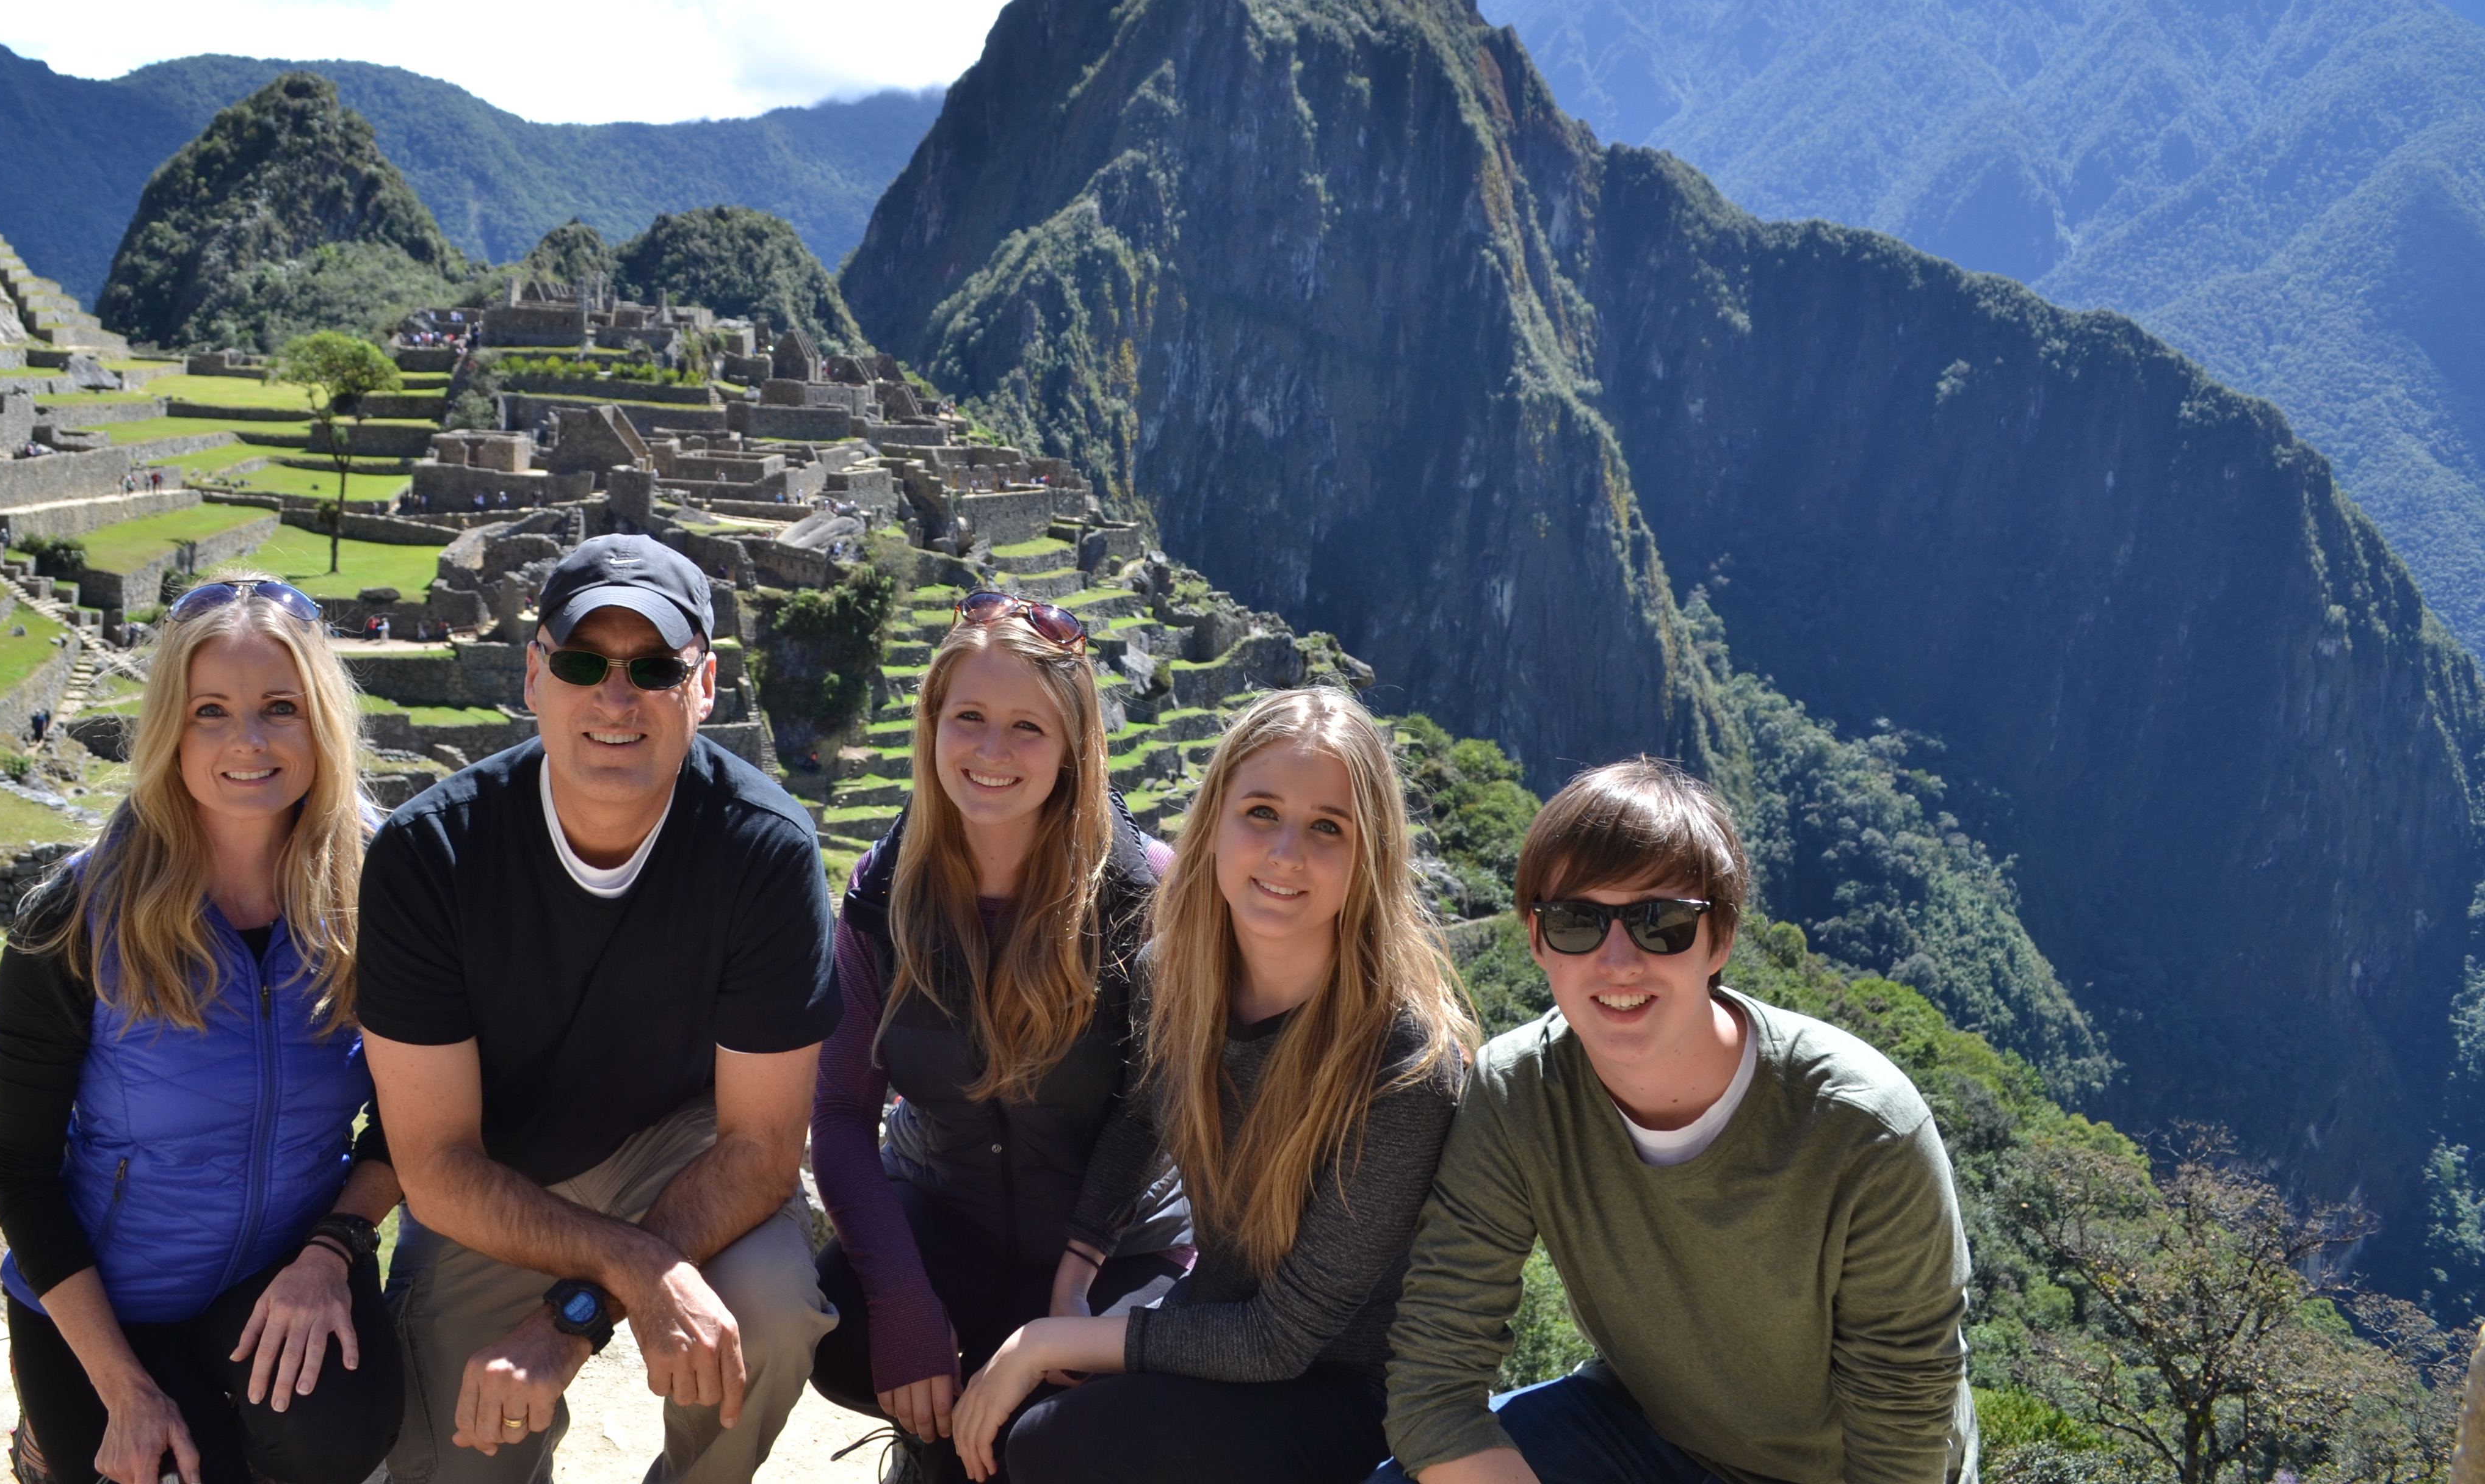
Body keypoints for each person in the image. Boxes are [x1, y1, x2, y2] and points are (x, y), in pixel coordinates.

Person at [357, 532, 842, 1484]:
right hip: (501, 1179)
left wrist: (568, 1323)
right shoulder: (429, 859)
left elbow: (759, 1152)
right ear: (534, 675)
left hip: (686, 1155)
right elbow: (435, 1164)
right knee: (457, 1458)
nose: (616, 698)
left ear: (703, 688)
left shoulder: (767, 853)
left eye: (654, 667)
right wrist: (627, 1271)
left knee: (772, 1310)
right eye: (585, 662)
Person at [1378, 759, 1974, 1484]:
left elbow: (1902, 1437)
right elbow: (1434, 1384)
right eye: (1577, 922)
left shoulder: (1863, 1130)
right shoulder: (1520, 1094)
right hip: (1646, 1433)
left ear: (1719, 940)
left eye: (1661, 922)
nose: (1618, 960)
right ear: (1537, 941)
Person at [953, 687, 1476, 1484]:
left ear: (1370, 856)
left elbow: (1281, 1339)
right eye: (1261, 812)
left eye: (1327, 827)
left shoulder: (1401, 1060)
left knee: (1048, 1443)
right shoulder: (1176, 975)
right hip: (1219, 1318)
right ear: (1216, 821)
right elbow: (1142, 1118)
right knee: (985, 1433)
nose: (1286, 853)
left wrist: (1050, 1339)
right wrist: (1074, 1278)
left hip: (1353, 1394)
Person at [0, 576, 403, 1484]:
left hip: (284, 1268)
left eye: (279, 708)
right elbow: (19, 1174)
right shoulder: (76, 917)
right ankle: (48, 1436)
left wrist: (334, 1249)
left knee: (340, 1442)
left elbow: (418, 1120)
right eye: (211, 711)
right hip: (108, 1301)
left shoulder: (386, 891)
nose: (247, 742)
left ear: (321, 719)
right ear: (170, 729)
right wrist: (124, 1392)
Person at [811, 592, 1189, 1484]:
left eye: (1028, 727)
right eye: (969, 717)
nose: (991, 752)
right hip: (950, 1214)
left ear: (1073, 748)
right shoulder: (882, 894)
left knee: (1061, 1440)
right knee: (841, 1333)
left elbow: (1152, 1109)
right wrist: (904, 1304)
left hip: (1118, 1240)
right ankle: (931, 1442)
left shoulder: (1146, 896)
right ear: (932, 724)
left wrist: (1074, 1286)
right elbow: (837, 1116)